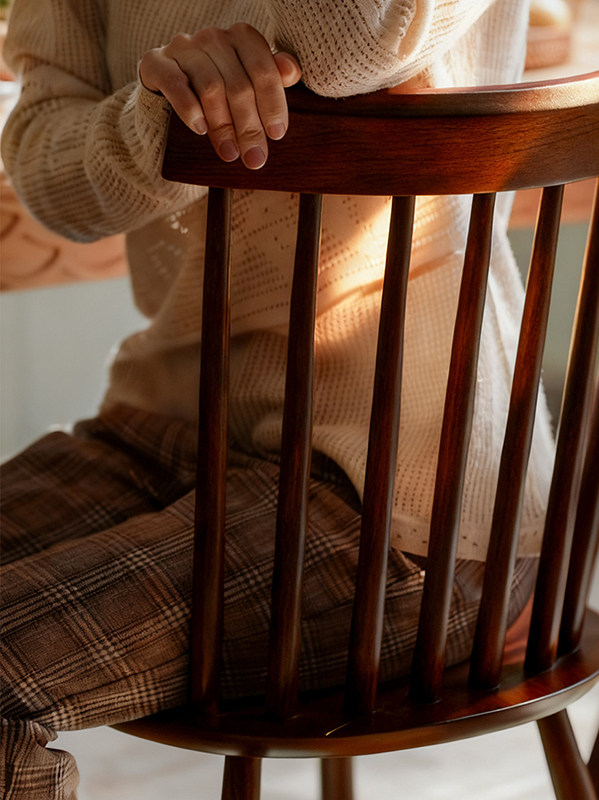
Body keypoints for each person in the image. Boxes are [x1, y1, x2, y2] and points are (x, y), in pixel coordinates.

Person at [0, 1, 555, 797]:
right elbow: (51, 175)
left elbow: (365, 35)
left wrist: (220, 74)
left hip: (402, 495)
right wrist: (165, 109)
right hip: (171, 422)